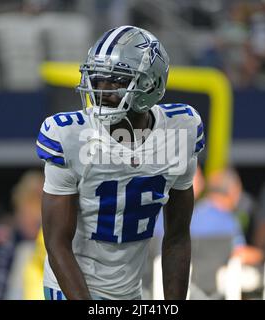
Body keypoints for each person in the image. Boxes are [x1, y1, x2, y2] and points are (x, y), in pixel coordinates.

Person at [37, 25, 204, 300]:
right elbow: (56, 245)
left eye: (116, 80)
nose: (102, 90)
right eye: (98, 79)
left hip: (130, 292)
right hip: (70, 288)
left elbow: (177, 236)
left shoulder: (180, 131)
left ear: (150, 83)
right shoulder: (70, 136)